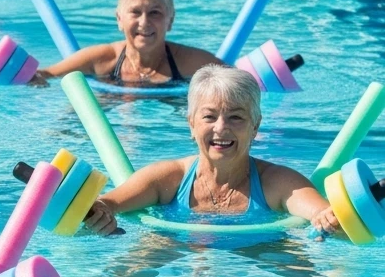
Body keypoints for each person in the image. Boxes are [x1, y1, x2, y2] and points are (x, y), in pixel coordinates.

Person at [82, 66, 341, 235]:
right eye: (209, 117)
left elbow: (320, 211)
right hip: (176, 248)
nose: (221, 128)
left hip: (262, 251)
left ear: (255, 126)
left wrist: (329, 219)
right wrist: (99, 215)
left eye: (236, 117)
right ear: (191, 124)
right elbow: (109, 203)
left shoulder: (277, 183)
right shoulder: (168, 178)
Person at [37, 0, 223, 85]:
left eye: (155, 13)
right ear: (119, 19)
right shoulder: (104, 58)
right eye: (135, 12)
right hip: (113, 102)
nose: (144, 22)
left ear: (170, 20)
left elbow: (239, 80)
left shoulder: (189, 62)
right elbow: (45, 75)